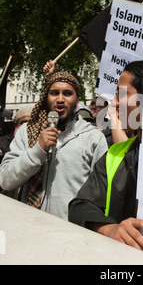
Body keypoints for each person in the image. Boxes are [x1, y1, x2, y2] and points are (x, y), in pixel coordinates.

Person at [68, 61, 143, 253]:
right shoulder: (115, 154)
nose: (114, 103)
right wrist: (110, 229)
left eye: (122, 94)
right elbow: (80, 206)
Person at [0, 71, 108, 220]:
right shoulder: (27, 131)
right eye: (54, 93)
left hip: (70, 233)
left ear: (77, 101)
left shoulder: (93, 138)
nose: (60, 99)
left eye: (68, 93)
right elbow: (5, 180)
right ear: (46, 98)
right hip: (27, 227)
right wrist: (38, 150)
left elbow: (102, 192)